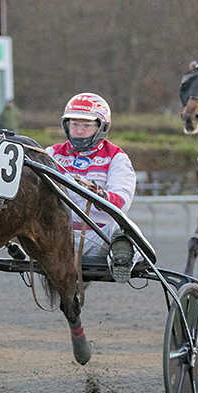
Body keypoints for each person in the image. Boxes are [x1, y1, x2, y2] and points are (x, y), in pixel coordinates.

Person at [46, 93, 137, 283]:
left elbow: (122, 202)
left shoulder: (117, 158)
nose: (79, 131)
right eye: (74, 124)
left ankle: (123, 257)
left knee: (126, 229)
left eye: (87, 125)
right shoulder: (51, 153)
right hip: (59, 236)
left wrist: (100, 195)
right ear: (66, 126)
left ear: (101, 127)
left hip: (99, 237)